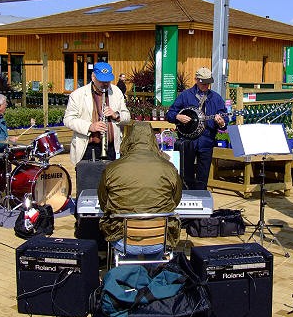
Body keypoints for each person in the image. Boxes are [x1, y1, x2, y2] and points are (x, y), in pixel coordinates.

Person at [98, 121, 183, 255]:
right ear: (152, 140)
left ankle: (127, 273)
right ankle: (153, 271)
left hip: (123, 239)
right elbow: (175, 200)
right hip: (159, 239)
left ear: (129, 139)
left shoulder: (112, 168)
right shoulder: (169, 167)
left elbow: (104, 203)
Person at [166, 67, 228, 190]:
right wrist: (178, 117)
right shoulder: (185, 95)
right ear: (196, 80)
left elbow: (224, 118)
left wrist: (222, 123)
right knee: (186, 173)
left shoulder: (216, 98)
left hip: (207, 140)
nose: (205, 85)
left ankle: (201, 199)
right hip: (188, 140)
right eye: (203, 82)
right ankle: (187, 198)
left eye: (208, 83)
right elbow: (170, 114)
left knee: (203, 175)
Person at [63, 62, 130, 164]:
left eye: (108, 81)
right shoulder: (77, 95)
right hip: (87, 149)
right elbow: (68, 120)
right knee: (88, 180)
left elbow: (127, 117)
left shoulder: (116, 92)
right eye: (101, 80)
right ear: (93, 77)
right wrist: (90, 126)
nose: (105, 84)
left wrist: (116, 115)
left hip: (111, 149)